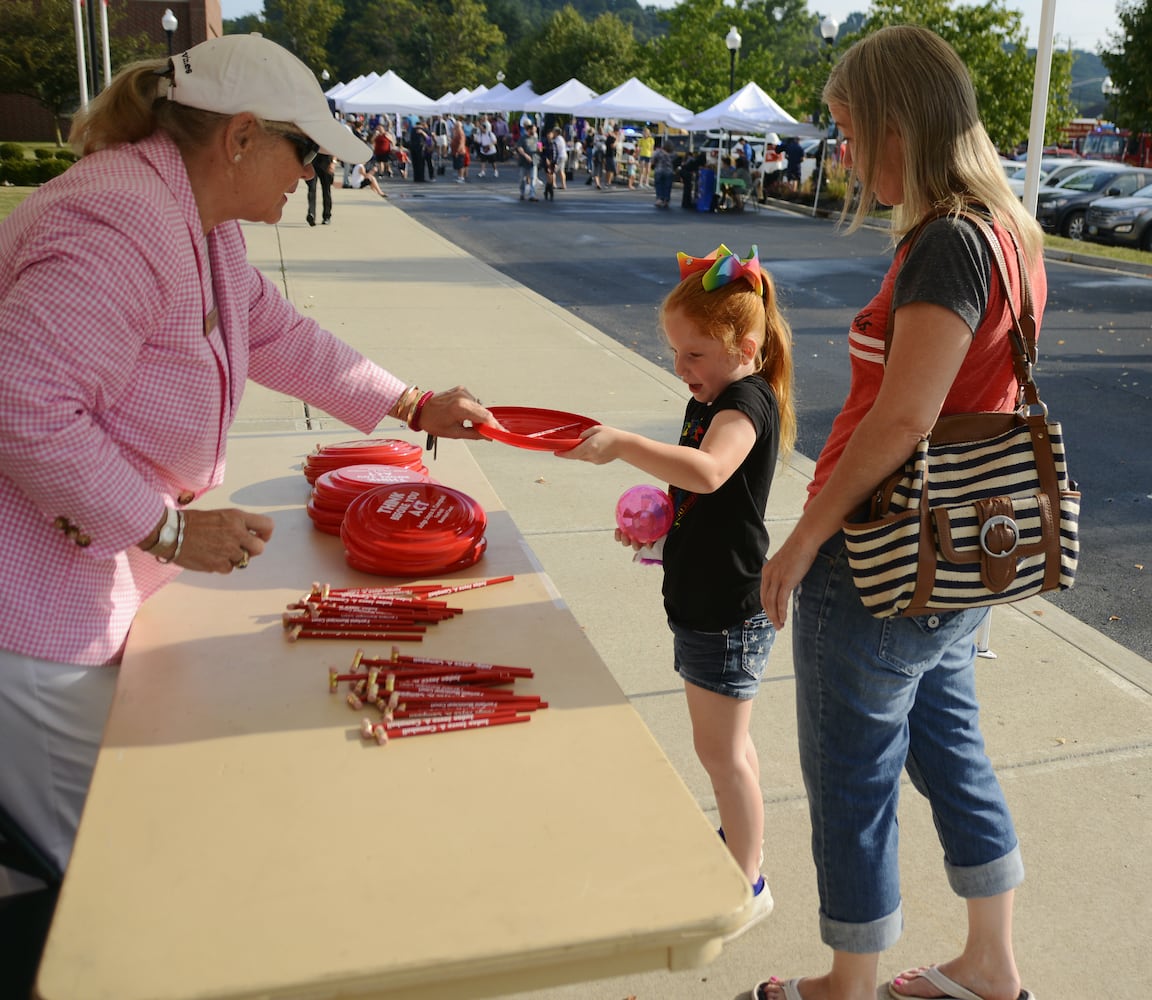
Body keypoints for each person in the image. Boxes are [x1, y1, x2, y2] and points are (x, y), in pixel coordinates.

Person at [0, 33, 494, 880]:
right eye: (301, 151)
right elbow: (27, 409)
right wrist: (166, 533)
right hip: (37, 617)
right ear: (239, 137)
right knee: (110, 875)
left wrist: (410, 403)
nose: (308, 173)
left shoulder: (193, 214)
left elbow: (272, 331)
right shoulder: (116, 222)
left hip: (88, 586)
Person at [754, 24, 1046, 1000]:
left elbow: (904, 417)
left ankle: (846, 982)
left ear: (896, 124)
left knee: (851, 776)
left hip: (884, 558)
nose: (840, 155)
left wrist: (800, 539)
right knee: (950, 751)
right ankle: (992, 962)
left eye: (846, 132)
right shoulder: (1008, 232)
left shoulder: (949, 243)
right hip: (965, 556)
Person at [559, 244, 796, 941]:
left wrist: (624, 443)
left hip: (726, 610)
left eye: (693, 354)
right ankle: (739, 843)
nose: (679, 368)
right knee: (730, 752)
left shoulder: (744, 401)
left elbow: (713, 472)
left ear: (743, 346)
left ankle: (745, 881)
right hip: (709, 597)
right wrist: (661, 529)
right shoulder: (718, 393)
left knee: (722, 755)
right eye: (674, 352)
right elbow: (702, 496)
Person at [305, 151, 334, 225]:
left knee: (326, 190)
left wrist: (333, 162)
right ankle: (311, 214)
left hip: (326, 161)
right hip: (313, 160)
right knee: (312, 188)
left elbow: (335, 147)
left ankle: (327, 216)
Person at [515, 122, 539, 201]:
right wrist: (525, 155)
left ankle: (532, 194)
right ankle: (522, 193)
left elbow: (539, 147)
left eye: (535, 130)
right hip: (524, 161)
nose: (534, 132)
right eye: (533, 130)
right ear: (528, 130)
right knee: (522, 178)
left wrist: (540, 149)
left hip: (534, 160)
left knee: (533, 178)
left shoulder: (536, 138)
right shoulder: (523, 138)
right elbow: (519, 148)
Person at [650, 142, 676, 208]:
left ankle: (659, 199)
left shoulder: (658, 152)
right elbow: (676, 162)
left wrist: (653, 166)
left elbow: (653, 160)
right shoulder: (673, 154)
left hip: (659, 170)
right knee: (667, 186)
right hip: (669, 171)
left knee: (659, 185)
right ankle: (666, 200)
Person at [450, 119, 468, 183]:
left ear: (458, 126)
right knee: (458, 165)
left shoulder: (460, 133)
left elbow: (461, 143)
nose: (454, 126)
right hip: (455, 151)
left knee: (460, 165)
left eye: (455, 125)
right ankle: (459, 176)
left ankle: (461, 177)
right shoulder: (457, 132)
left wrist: (458, 151)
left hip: (460, 152)